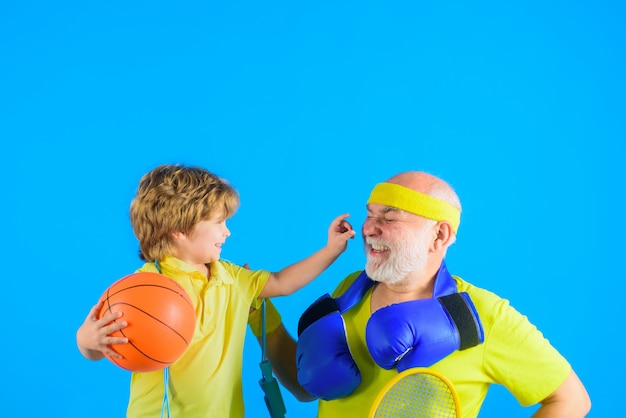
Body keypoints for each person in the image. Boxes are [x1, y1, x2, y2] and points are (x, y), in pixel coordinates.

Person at [262, 171, 591, 417]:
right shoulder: (349, 290)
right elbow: (305, 385)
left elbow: (571, 399)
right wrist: (261, 317)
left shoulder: (481, 315)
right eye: (370, 214)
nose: (368, 228)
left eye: (389, 217)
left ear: (439, 235)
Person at [75, 163, 355, 418]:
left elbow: (282, 282)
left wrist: (331, 250)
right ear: (180, 229)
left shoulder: (233, 277)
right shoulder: (143, 288)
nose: (227, 232)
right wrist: (87, 341)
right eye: (219, 222)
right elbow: (107, 344)